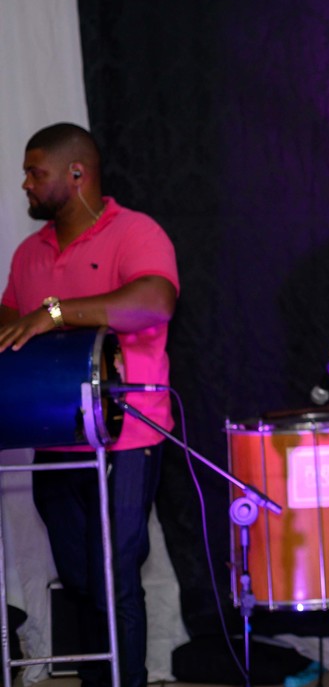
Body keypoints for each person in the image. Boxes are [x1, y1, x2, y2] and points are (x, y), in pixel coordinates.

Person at [0, 123, 179, 687]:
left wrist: (56, 313)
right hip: (54, 434)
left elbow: (155, 301)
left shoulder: (136, 232)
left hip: (126, 437)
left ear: (76, 173)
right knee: (81, 579)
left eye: (36, 172)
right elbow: (11, 316)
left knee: (114, 576)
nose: (26, 184)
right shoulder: (29, 253)